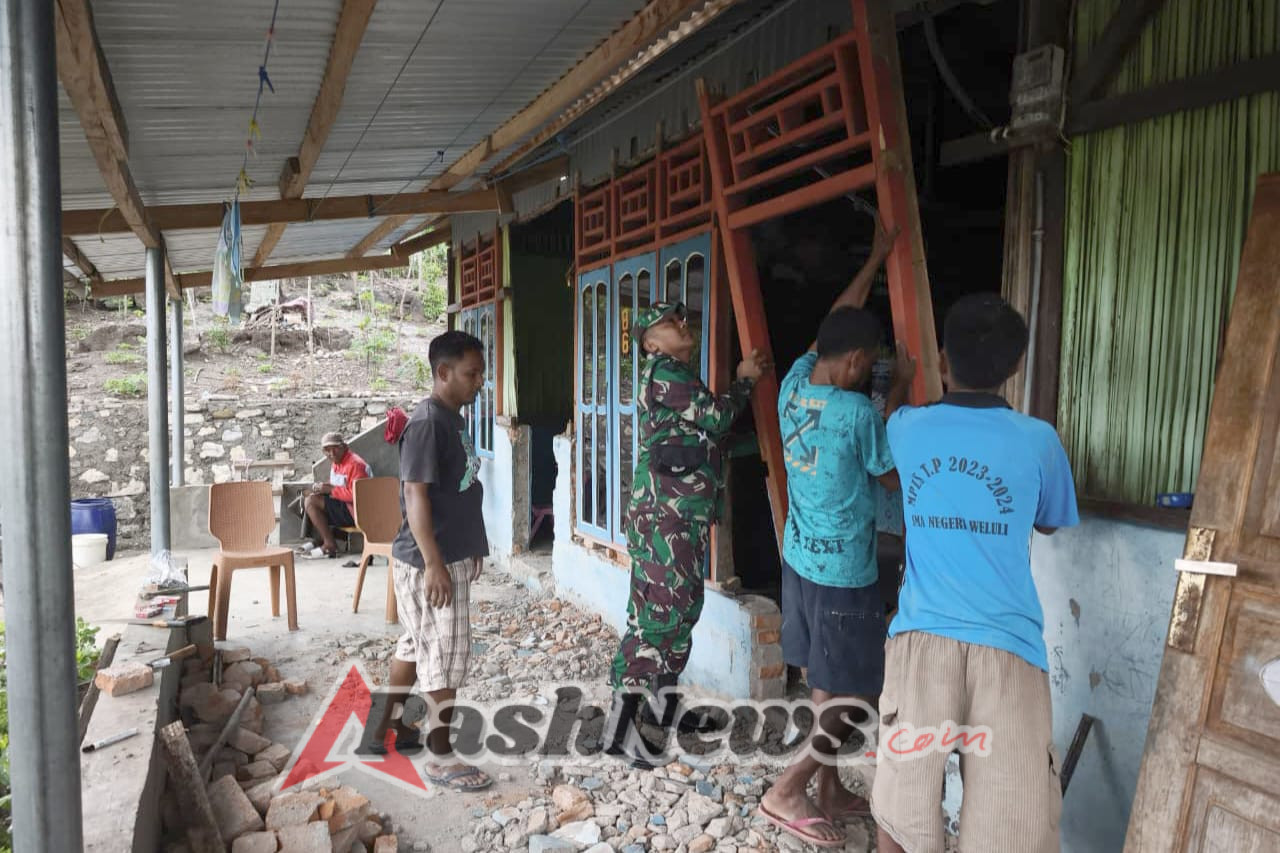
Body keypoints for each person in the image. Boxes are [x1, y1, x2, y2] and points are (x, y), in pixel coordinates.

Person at [872, 293, 1079, 853]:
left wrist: (902, 382)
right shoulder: (1039, 440)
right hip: (1009, 648)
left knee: (902, 802)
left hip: (922, 641)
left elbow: (889, 421)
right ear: (1017, 365)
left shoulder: (908, 428)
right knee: (1013, 821)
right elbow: (1049, 522)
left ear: (943, 359)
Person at [758, 222, 911, 848]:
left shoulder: (793, 384)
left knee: (826, 674)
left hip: (799, 560)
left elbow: (831, 323)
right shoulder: (855, 412)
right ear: (854, 362)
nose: (865, 372)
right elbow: (892, 477)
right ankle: (788, 788)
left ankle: (827, 787)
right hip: (847, 571)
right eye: (867, 364)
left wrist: (874, 258)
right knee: (857, 689)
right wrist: (899, 393)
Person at [606, 301, 769, 766]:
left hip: (681, 518)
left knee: (682, 612)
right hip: (664, 519)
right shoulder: (664, 372)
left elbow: (706, 437)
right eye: (669, 321)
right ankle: (619, 729)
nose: (682, 324)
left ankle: (663, 709)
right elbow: (716, 417)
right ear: (650, 343)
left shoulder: (679, 377)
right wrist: (744, 380)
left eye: (682, 318)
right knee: (656, 618)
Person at [362, 330, 492, 792]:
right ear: (443, 373)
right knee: (443, 654)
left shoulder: (452, 418)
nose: (480, 381)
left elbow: (458, 490)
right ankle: (440, 758)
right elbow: (415, 495)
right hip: (429, 561)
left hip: (443, 554)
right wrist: (436, 563)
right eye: (472, 373)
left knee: (416, 645)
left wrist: (472, 544)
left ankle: (385, 729)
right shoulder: (428, 423)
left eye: (481, 373)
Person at [302, 432, 372, 558]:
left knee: (311, 502)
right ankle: (320, 539)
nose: (332, 453)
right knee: (306, 497)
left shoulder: (355, 464)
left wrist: (331, 490)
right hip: (345, 506)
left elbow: (358, 495)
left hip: (356, 511)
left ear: (344, 447)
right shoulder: (336, 462)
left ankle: (329, 545)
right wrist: (323, 487)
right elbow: (338, 484)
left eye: (335, 448)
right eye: (327, 450)